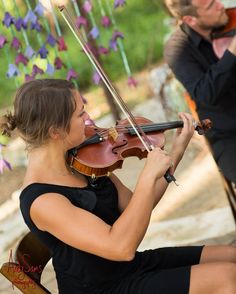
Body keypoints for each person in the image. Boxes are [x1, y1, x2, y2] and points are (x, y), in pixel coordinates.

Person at [1, 78, 236, 294]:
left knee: (232, 257)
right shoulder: (42, 200)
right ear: (55, 132)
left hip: (129, 268)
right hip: (104, 288)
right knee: (228, 278)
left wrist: (176, 151)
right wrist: (146, 176)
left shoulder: (83, 162)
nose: (89, 119)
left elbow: (137, 208)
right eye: (80, 114)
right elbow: (121, 246)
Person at [164, 0, 236, 185]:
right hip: (229, 134)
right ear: (190, 19)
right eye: (211, 5)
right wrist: (232, 51)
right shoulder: (177, 50)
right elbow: (204, 94)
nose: (220, 5)